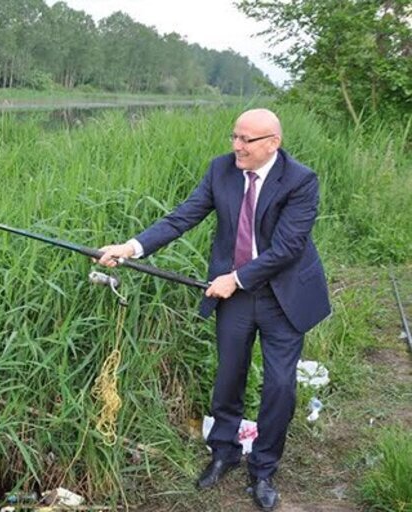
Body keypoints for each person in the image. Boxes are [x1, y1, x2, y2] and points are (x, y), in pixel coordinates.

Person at [96, 108, 331, 511]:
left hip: (283, 294)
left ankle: (263, 468)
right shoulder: (221, 170)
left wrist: (235, 278)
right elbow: (182, 217)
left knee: (279, 385)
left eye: (246, 140)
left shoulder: (300, 180)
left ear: (272, 143)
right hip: (234, 295)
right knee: (228, 375)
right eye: (234, 137)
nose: (236, 146)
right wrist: (131, 247)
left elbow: (288, 248)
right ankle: (224, 451)